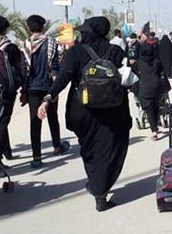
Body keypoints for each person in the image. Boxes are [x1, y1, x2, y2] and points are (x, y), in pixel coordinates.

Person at [38, 17, 131, 211]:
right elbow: (128, 79)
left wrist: (48, 97)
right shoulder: (116, 51)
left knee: (89, 149)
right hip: (113, 111)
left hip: (82, 110)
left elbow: (63, 77)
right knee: (111, 149)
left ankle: (96, 185)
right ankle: (100, 189)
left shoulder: (76, 52)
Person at [21, 14, 69, 168]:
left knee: (35, 121)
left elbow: (23, 70)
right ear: (43, 27)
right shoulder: (51, 43)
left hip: (32, 88)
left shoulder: (25, 45)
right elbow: (55, 67)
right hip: (48, 86)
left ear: (29, 28)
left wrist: (23, 89)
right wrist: (56, 89)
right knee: (52, 117)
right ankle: (57, 147)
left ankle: (36, 157)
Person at [0, 15, 24, 161]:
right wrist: (21, 86)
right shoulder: (11, 47)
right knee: (2, 121)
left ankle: (7, 151)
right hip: (6, 90)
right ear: (5, 30)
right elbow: (20, 69)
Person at [134, 42, 169, 140]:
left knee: (149, 109)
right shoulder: (157, 62)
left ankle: (154, 130)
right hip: (157, 87)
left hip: (144, 87)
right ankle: (156, 126)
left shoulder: (139, 62)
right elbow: (162, 71)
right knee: (156, 105)